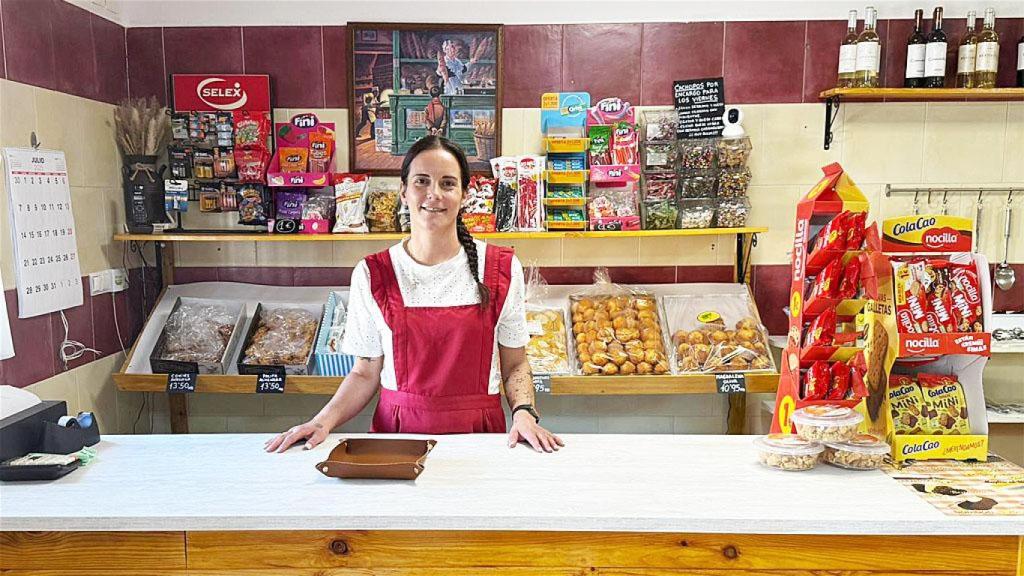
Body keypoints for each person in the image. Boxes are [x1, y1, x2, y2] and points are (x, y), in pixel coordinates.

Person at [266, 135, 564, 454]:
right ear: (403, 190)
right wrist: (321, 422)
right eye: (422, 181)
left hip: (479, 438)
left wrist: (524, 414)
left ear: (464, 194)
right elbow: (365, 372)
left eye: (448, 183)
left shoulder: (501, 269)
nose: (433, 194)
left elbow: (515, 363)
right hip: (397, 437)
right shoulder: (373, 274)